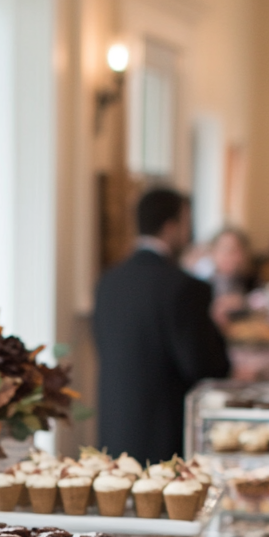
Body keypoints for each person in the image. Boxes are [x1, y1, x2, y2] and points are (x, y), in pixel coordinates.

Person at [93, 188, 229, 461]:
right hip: (164, 435)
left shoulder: (108, 282)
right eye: (186, 224)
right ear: (170, 227)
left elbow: (102, 345)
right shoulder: (184, 287)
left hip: (114, 429)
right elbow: (202, 365)